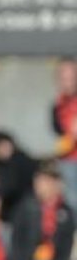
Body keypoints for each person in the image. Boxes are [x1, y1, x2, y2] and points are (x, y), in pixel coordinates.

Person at [0, 130, 37, 225]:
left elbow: (14, 183)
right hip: (7, 211)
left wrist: (0, 195)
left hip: (25, 204)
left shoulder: (22, 160)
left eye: (6, 145)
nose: (4, 149)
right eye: (0, 146)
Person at [50, 57, 77, 204]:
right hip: (68, 161)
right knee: (71, 201)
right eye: (63, 78)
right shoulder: (58, 104)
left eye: (71, 78)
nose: (67, 82)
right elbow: (58, 131)